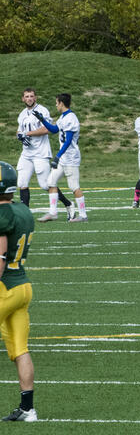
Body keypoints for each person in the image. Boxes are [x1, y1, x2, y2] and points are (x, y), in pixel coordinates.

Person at [0, 161, 38, 421]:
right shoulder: (22, 209)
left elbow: (0, 256)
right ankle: (28, 409)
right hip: (23, 285)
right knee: (20, 349)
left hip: (5, 288)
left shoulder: (3, 214)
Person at [16, 88, 74, 219]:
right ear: (23, 99)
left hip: (40, 153)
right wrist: (20, 136)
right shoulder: (22, 114)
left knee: (45, 184)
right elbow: (19, 130)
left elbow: (46, 129)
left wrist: (27, 134)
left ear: (35, 98)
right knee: (22, 183)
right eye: (27, 96)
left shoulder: (42, 110)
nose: (29, 98)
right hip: (26, 154)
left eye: (31, 96)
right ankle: (25, 215)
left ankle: (68, 204)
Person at [33, 93, 87, 223]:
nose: (56, 105)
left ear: (61, 103)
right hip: (63, 158)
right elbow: (54, 129)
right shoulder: (63, 117)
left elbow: (68, 141)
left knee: (74, 186)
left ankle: (83, 215)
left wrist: (57, 156)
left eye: (57, 103)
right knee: (51, 182)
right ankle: (53, 213)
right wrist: (42, 120)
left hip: (71, 158)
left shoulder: (71, 118)